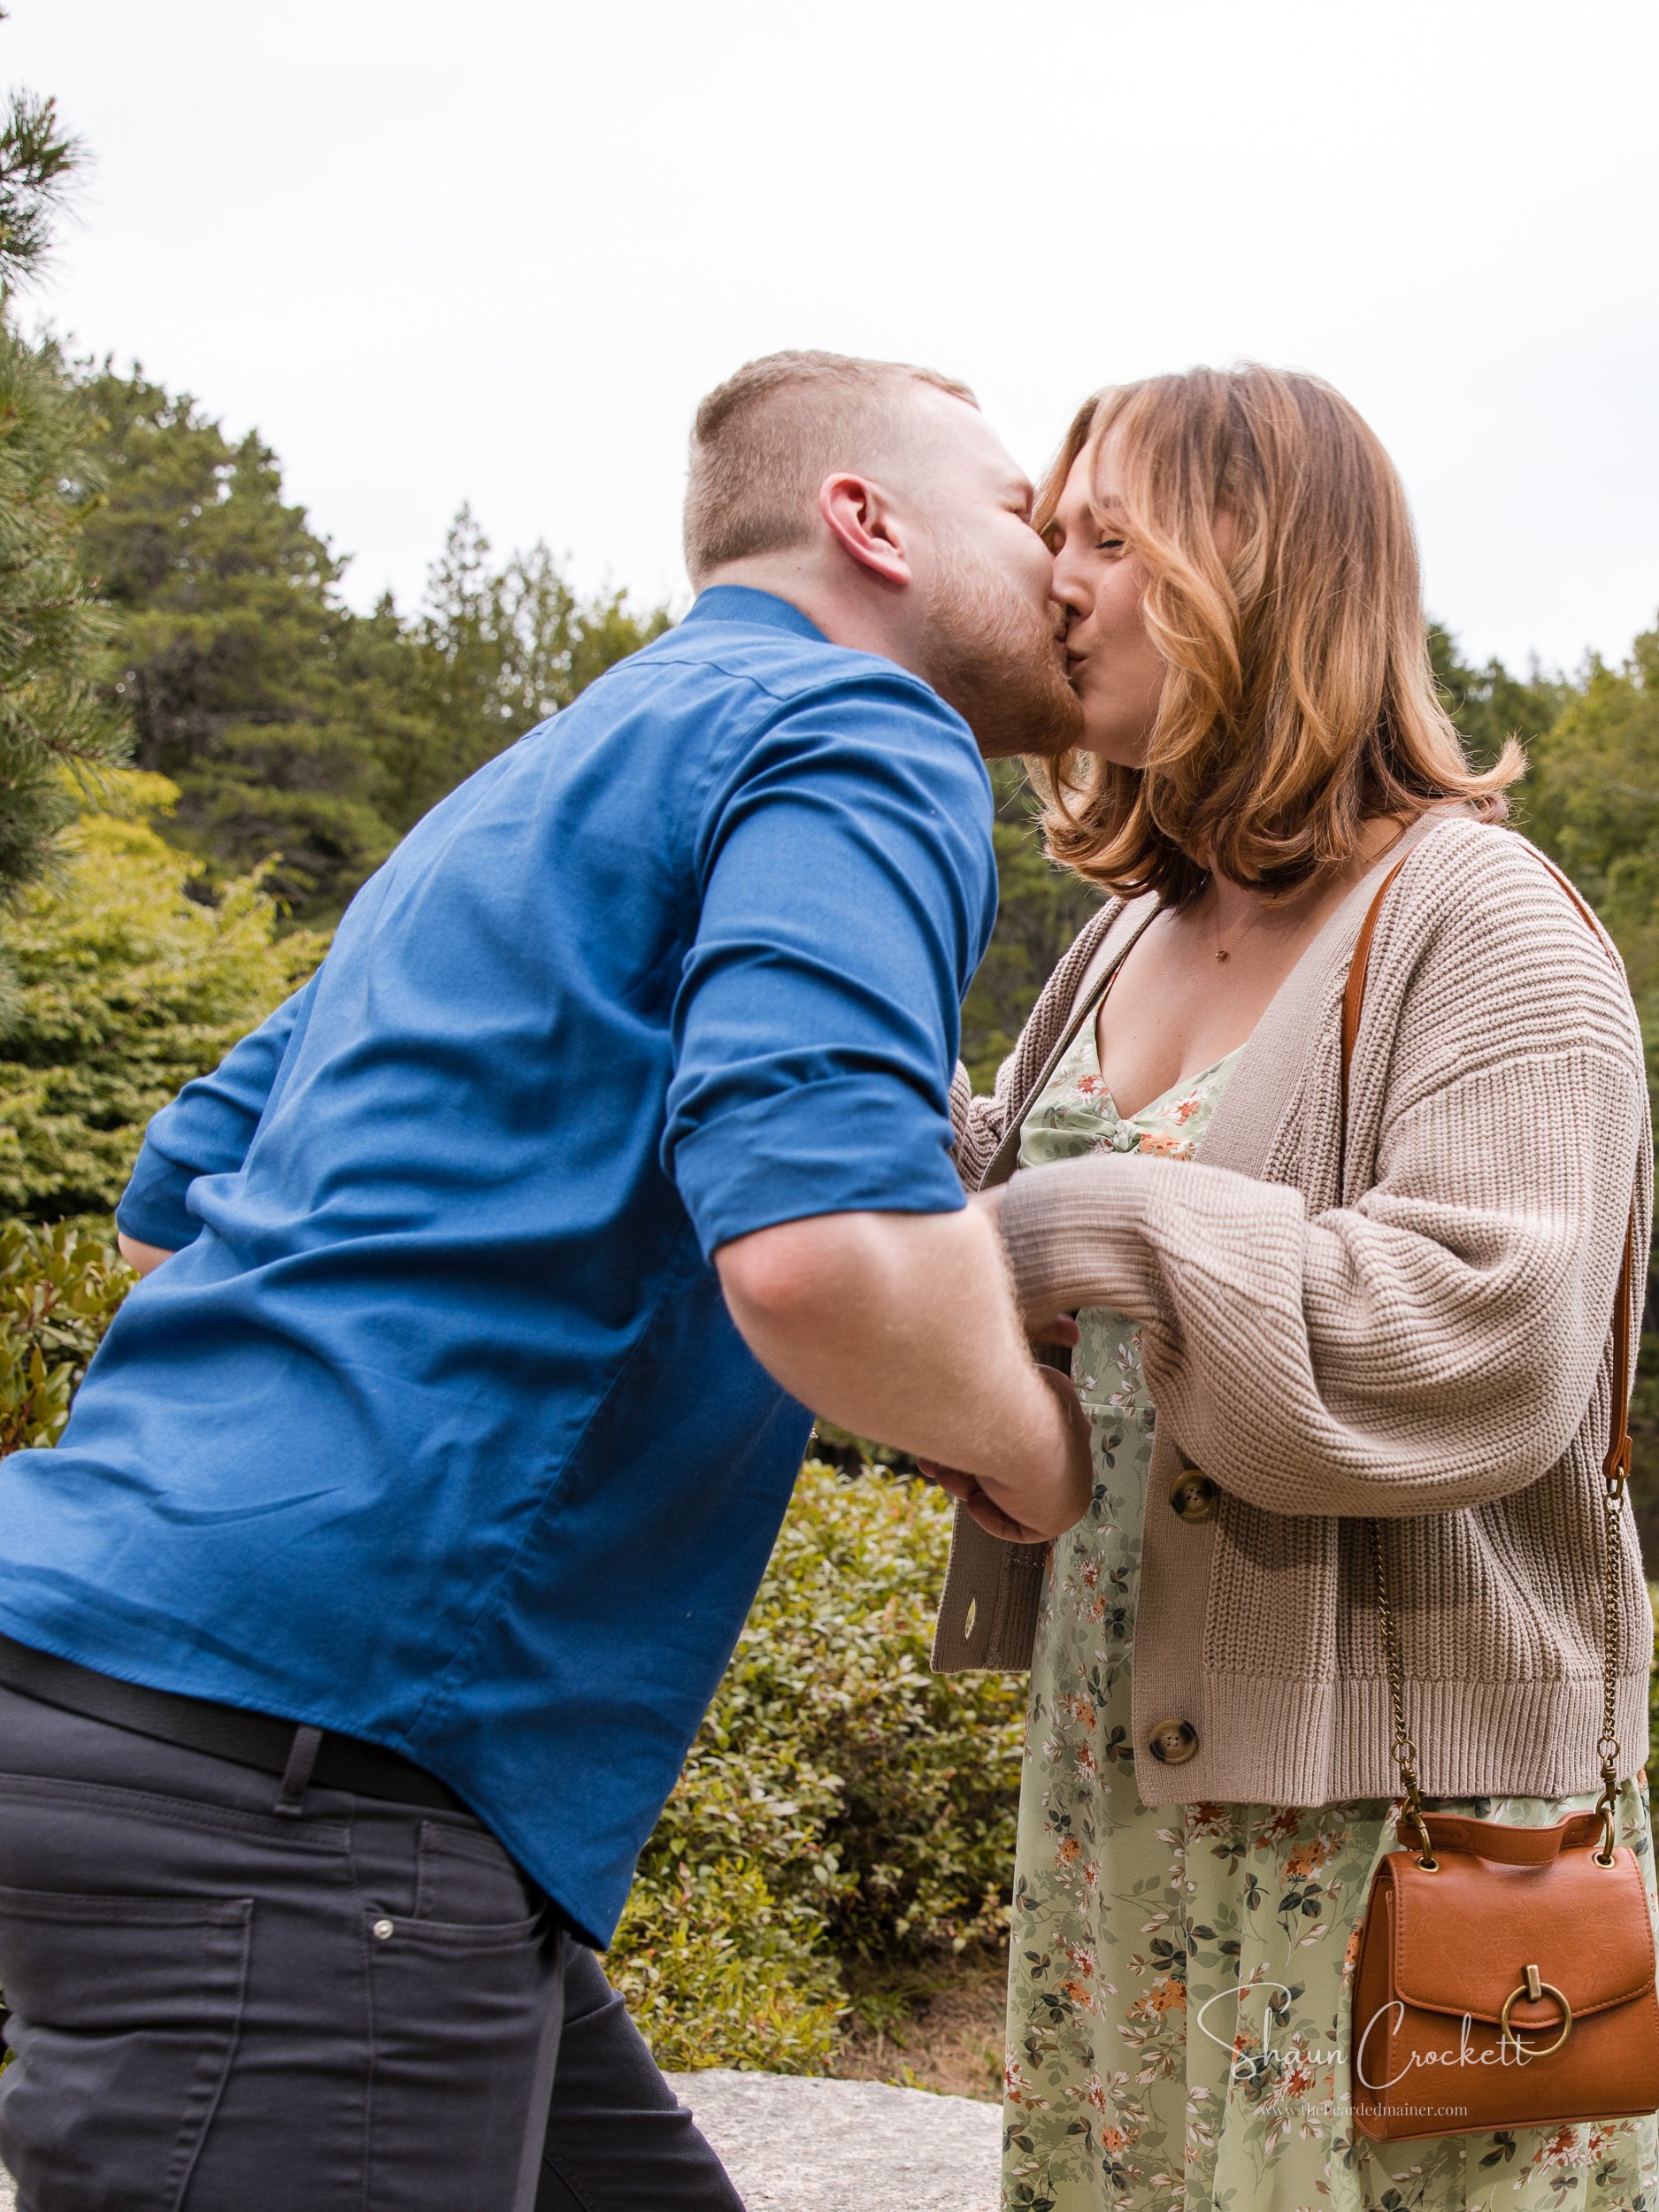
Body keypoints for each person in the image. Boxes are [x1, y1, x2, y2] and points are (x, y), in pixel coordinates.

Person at [0, 349, 1094, 2211]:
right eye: (1021, 510)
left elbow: (169, 1202)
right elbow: (820, 1238)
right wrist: (1030, 1447)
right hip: (316, 1770)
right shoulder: (857, 727)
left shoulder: (524, 790)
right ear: (865, 520)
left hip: (121, 1675)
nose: (1063, 564)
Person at [927, 365, 1657, 2211]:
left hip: (1388, 1832)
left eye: (1111, 537)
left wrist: (1076, 1224)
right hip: (1131, 1776)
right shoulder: (1124, 922)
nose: (1057, 583)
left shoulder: (1476, 920)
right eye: (1048, 537)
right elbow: (1008, 1238)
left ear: (1265, 582)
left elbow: (1479, 1334)